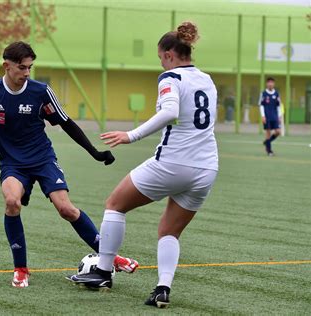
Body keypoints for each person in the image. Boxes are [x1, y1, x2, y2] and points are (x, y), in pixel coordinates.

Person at [0, 41, 139, 288]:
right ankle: (21, 269)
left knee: (67, 209)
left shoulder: (41, 92)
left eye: (30, 67)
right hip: (12, 164)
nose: (27, 73)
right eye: (22, 68)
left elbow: (66, 122)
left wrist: (94, 152)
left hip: (43, 159)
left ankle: (111, 257)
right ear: (6, 66)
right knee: (12, 203)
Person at [68, 22, 218, 309]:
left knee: (115, 204)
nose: (161, 63)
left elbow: (171, 111)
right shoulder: (207, 79)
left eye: (161, 58)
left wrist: (130, 135)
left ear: (169, 55)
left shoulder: (170, 77)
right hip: (207, 168)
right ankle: (162, 289)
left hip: (174, 162)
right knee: (169, 231)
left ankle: (102, 272)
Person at [259, 77, 281, 156]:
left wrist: (279, 116)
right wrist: (263, 116)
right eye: (269, 82)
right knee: (268, 132)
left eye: (272, 82)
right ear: (267, 84)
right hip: (267, 117)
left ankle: (266, 142)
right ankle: (269, 151)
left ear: (274, 84)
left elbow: (278, 106)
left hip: (275, 116)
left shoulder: (277, 93)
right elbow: (261, 105)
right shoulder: (263, 93)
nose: (270, 84)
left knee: (278, 132)